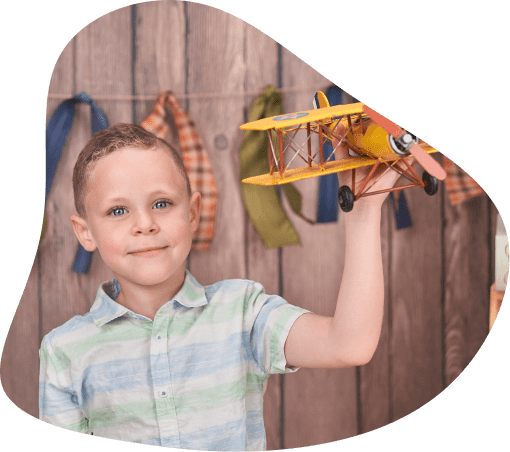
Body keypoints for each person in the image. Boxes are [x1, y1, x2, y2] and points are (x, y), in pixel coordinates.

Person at [39, 122, 402, 451]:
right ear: (85, 232)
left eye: (162, 203)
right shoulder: (64, 351)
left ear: (193, 213)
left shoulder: (241, 311)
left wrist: (363, 215)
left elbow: (350, 345)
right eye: (118, 211)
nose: (145, 223)